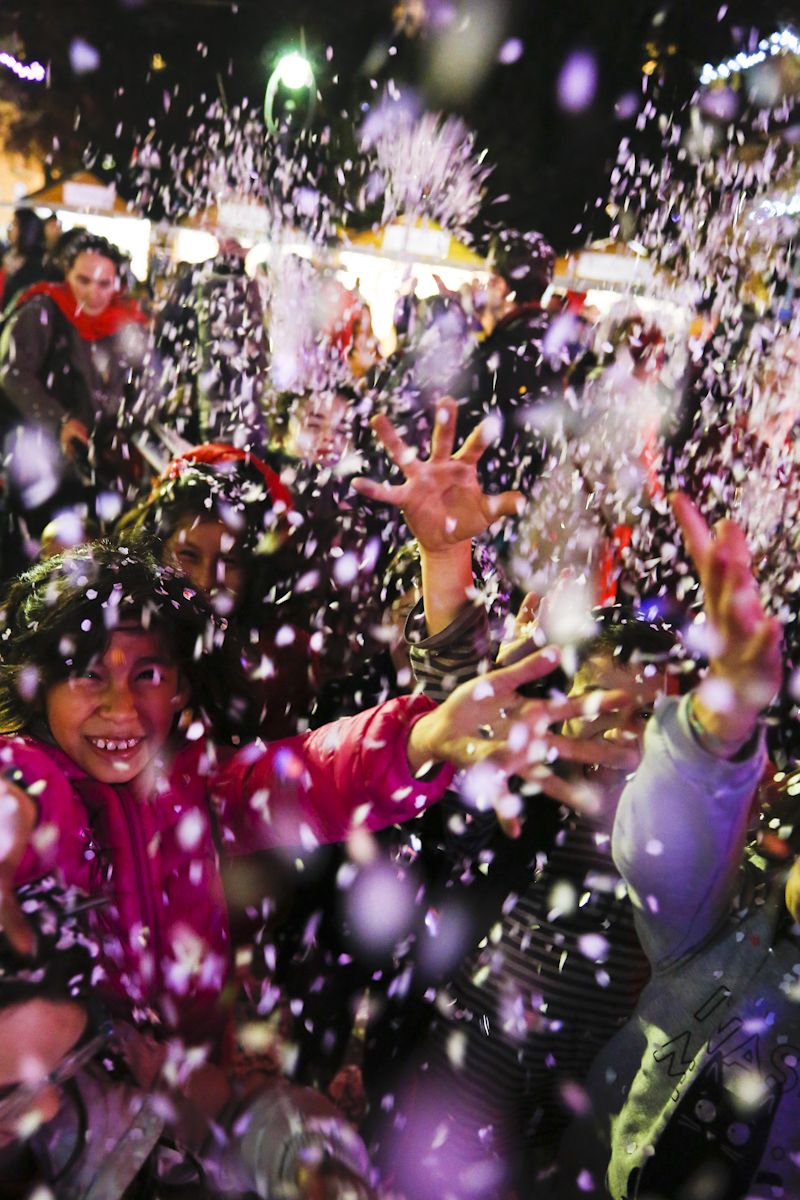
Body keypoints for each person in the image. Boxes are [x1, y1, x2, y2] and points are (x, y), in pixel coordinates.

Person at [0, 540, 607, 1195]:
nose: (121, 706)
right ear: (36, 682)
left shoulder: (188, 782)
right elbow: (20, 803)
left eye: (147, 674)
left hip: (193, 1111)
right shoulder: (39, 777)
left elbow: (309, 774)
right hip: (72, 1127)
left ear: (179, 686)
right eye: (87, 673)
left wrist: (422, 740)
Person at [556, 494, 787, 1200]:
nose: (619, 738)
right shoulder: (732, 920)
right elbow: (668, 853)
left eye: (642, 717)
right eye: (601, 707)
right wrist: (718, 724)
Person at [0, 231, 158, 558]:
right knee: (38, 561)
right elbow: (13, 374)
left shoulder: (125, 321)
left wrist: (131, 427)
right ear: (66, 273)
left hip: (101, 469)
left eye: (104, 283)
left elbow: (147, 385)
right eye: (83, 280)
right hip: (41, 463)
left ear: (118, 282)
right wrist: (60, 421)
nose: (93, 293)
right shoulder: (43, 308)